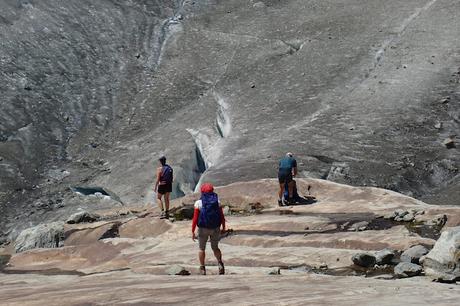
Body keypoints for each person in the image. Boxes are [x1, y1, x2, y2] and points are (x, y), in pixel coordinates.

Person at [191, 183, 226, 275]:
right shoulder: (217, 202)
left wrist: (192, 231)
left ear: (202, 191)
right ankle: (220, 263)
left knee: (201, 249)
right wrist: (223, 227)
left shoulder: (198, 203)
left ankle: (202, 268)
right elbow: (221, 216)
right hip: (215, 228)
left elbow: (195, 219)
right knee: (215, 248)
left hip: (203, 228)